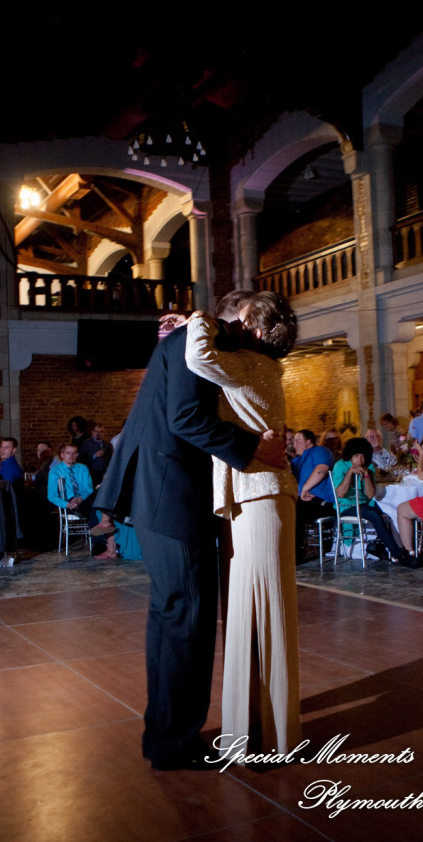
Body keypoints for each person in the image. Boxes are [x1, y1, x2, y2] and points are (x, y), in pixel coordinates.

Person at [94, 292, 285, 772]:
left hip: (162, 491)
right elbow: (186, 419)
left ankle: (164, 734)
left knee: (173, 615)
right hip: (172, 492)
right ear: (247, 323)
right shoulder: (197, 339)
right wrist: (254, 448)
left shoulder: (191, 337)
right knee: (189, 618)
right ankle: (175, 742)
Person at [184, 290, 302, 758]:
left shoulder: (253, 366)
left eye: (237, 318)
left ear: (254, 328)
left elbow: (197, 356)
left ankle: (276, 737)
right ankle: (245, 731)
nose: (227, 324)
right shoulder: (256, 366)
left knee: (267, 617)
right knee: (245, 618)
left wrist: (198, 316)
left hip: (263, 500)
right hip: (250, 500)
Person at [332, 437, 415, 566]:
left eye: (362, 456)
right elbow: (341, 494)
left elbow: (370, 495)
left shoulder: (369, 467)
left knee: (392, 509)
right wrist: (349, 473)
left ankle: (392, 546)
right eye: (356, 456)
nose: (359, 460)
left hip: (365, 503)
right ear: (350, 455)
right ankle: (397, 554)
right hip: (346, 505)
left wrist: (366, 474)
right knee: (374, 515)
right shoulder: (340, 465)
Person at [291, 429, 335, 562]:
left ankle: (295, 556)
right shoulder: (297, 461)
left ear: (308, 442)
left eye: (298, 441)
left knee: (297, 511)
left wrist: (304, 489)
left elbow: (321, 469)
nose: (294, 445)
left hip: (321, 501)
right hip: (302, 500)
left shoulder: (319, 451)